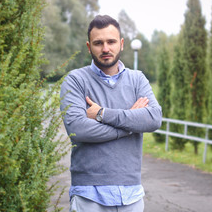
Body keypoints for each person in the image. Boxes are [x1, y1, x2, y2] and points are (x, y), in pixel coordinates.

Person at [60, 15, 162, 212]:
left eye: (111, 41)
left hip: (131, 194)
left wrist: (102, 114)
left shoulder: (137, 80)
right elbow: (79, 129)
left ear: (121, 44)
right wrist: (129, 124)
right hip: (89, 195)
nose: (105, 48)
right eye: (98, 43)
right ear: (89, 47)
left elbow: (154, 118)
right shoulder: (75, 81)